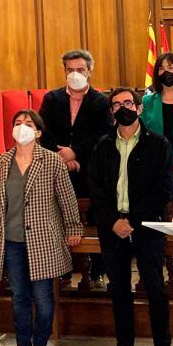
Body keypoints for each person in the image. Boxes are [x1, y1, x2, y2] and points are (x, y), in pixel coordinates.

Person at [87, 88, 173, 346]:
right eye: (116, 104)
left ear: (139, 108)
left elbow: (163, 188)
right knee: (119, 290)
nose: (122, 108)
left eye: (128, 103)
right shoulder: (103, 145)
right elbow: (96, 188)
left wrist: (133, 221)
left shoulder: (158, 143)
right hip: (112, 228)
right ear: (111, 111)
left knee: (155, 289)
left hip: (146, 226)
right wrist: (113, 221)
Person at [0, 110, 83, 346]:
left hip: (42, 238)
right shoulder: (4, 161)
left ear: (38, 132)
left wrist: (74, 227)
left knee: (42, 296)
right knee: (19, 295)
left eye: (28, 124)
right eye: (18, 123)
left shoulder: (51, 161)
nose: (22, 127)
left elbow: (66, 198)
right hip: (12, 238)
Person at [38, 49, 112, 287]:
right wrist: (61, 156)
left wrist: (76, 152)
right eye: (70, 70)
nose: (75, 74)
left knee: (95, 219)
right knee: (57, 219)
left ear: (89, 71)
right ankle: (63, 270)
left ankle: (97, 271)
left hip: (89, 171)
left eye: (80, 70)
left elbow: (104, 135)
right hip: (56, 168)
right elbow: (42, 131)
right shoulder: (52, 99)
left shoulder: (101, 102)